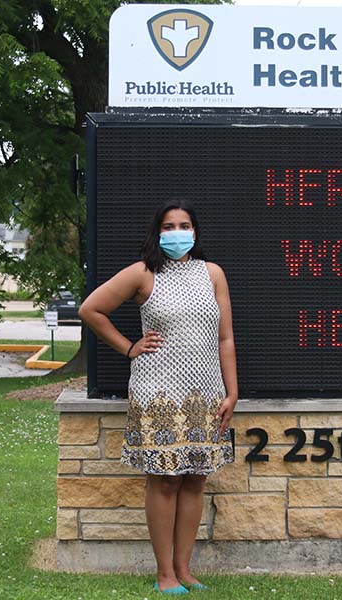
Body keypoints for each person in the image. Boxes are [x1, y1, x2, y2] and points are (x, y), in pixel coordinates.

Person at [78, 202, 237, 595]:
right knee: (165, 481)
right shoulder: (143, 273)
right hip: (158, 394)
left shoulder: (213, 274)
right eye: (169, 226)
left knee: (196, 480)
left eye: (184, 225)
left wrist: (232, 391)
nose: (177, 232)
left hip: (206, 393)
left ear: (196, 232)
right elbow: (91, 309)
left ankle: (185, 570)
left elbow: (225, 338)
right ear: (157, 232)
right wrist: (130, 347)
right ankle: (164, 573)